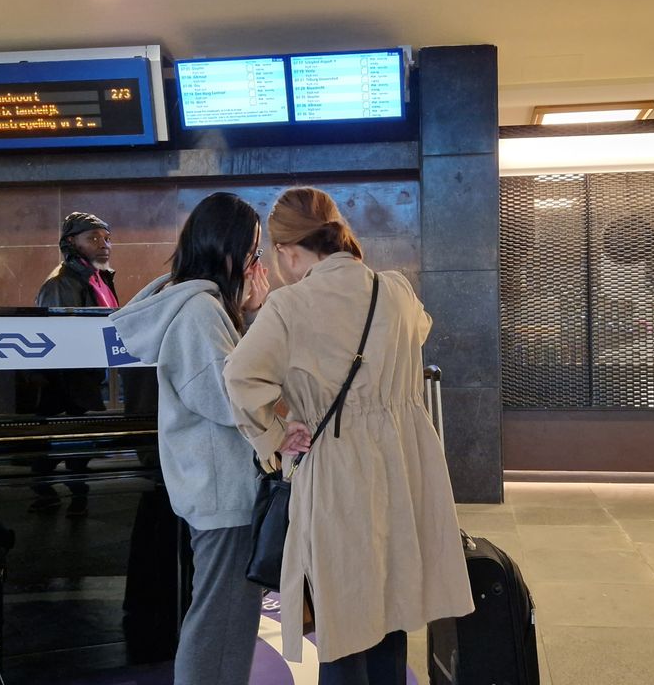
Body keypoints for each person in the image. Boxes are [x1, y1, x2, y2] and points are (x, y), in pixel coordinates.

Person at [224, 186, 474, 683]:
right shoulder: (396, 289)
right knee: (393, 600)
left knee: (344, 611)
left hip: (338, 464)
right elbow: (417, 330)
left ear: (288, 250)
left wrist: (277, 433)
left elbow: (240, 377)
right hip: (406, 461)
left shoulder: (289, 306)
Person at [109, 192, 271, 685]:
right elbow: (230, 399)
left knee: (224, 618)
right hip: (223, 492)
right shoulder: (199, 311)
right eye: (253, 252)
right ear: (228, 250)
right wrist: (261, 316)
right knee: (220, 621)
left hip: (212, 485)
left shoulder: (192, 302)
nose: (256, 264)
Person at [29, 211, 118, 515]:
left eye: (106, 238)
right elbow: (58, 339)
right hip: (65, 381)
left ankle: (75, 495)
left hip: (85, 376)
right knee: (62, 441)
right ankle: (51, 493)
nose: (104, 244)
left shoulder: (96, 278)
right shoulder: (62, 282)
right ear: (71, 242)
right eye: (93, 237)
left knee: (77, 442)